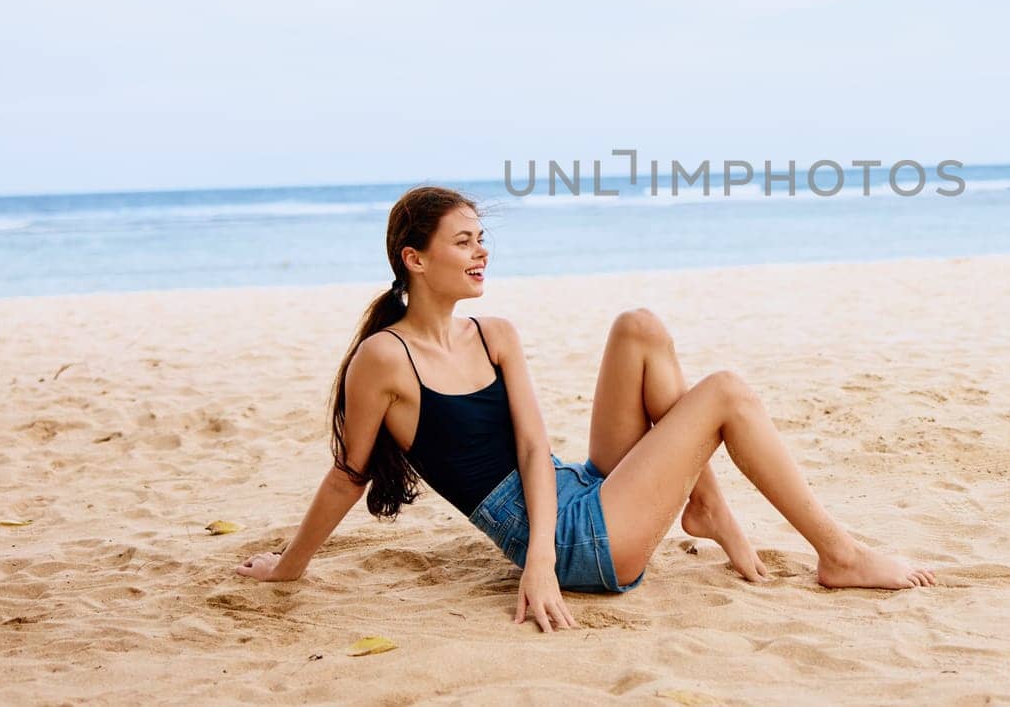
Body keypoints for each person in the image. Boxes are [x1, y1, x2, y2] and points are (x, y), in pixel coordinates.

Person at [235, 185, 936, 631]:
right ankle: (838, 554)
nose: (482, 252)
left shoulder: (494, 333)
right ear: (415, 259)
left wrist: (537, 547)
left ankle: (708, 507)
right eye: (464, 240)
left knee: (639, 325)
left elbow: (537, 449)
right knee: (723, 390)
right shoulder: (385, 360)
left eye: (483, 237)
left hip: (579, 492)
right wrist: (291, 566)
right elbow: (346, 476)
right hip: (582, 543)